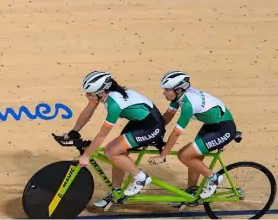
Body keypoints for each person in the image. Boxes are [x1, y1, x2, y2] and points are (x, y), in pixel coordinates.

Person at [66, 71, 166, 208]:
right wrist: (74, 131)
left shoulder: (114, 104)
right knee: (117, 154)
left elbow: (102, 134)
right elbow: (88, 111)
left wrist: (86, 155)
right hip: (138, 123)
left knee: (111, 151)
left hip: (151, 127)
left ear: (101, 92)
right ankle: (116, 191)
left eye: (90, 93)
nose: (87, 96)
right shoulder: (105, 94)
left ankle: (141, 178)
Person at [148, 71, 238, 200]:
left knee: (184, 155)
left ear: (178, 89)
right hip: (211, 125)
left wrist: (163, 156)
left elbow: (176, 133)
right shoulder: (178, 97)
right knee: (193, 156)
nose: (164, 93)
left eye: (167, 90)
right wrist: (153, 131)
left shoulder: (188, 104)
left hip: (223, 129)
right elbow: (167, 117)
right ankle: (192, 192)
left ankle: (214, 178)